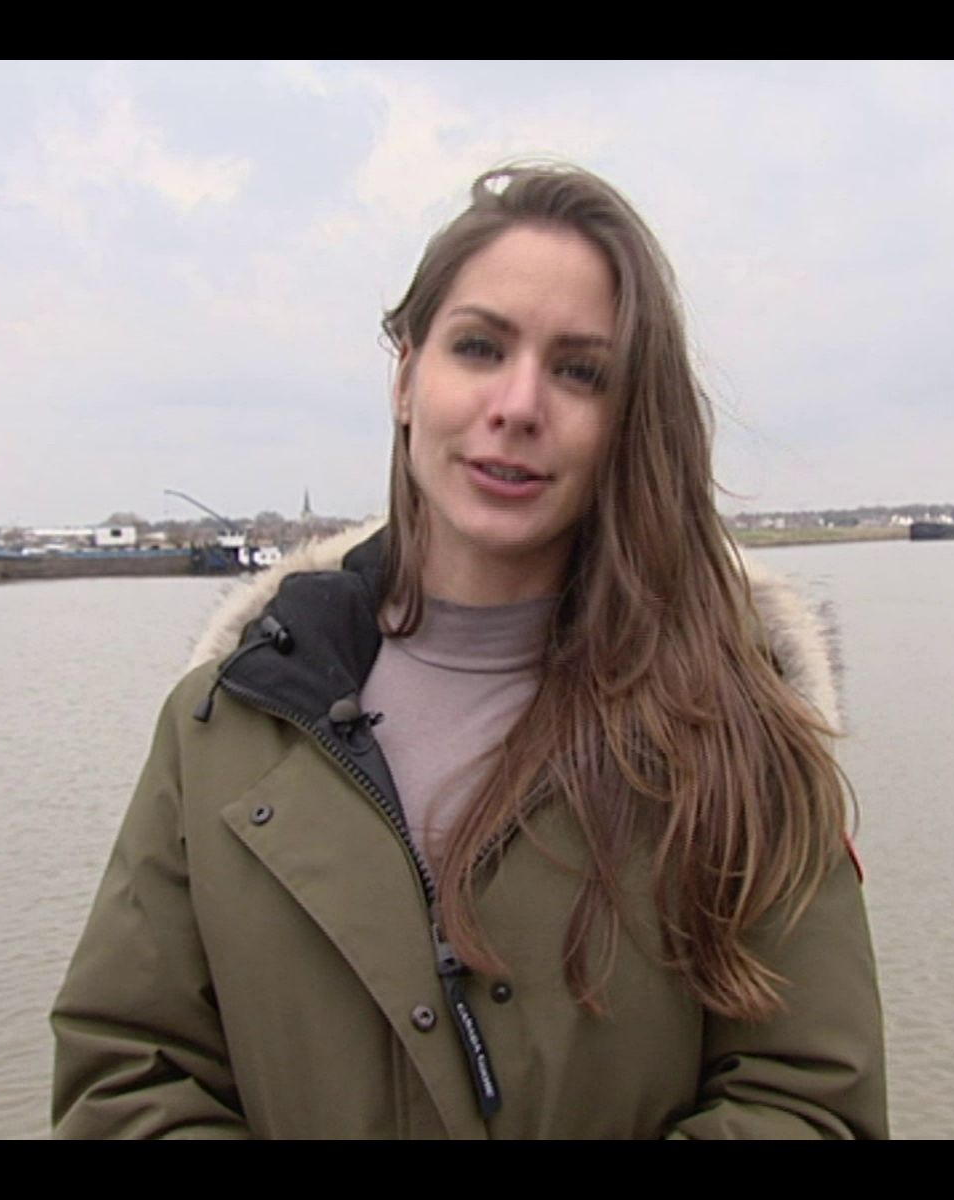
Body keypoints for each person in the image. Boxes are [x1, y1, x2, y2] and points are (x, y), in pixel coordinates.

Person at [49, 161, 886, 1139]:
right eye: (481, 347)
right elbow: (127, 1074)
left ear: (625, 423)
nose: (520, 404)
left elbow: (809, 1102)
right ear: (407, 377)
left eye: (580, 371)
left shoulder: (740, 729)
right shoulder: (222, 727)